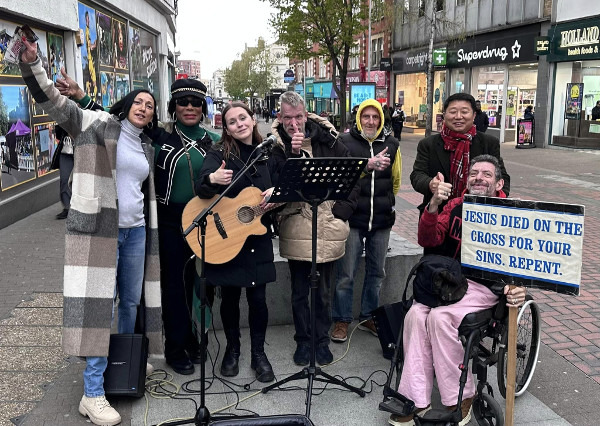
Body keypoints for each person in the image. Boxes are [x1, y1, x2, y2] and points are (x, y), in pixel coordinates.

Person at [19, 40, 162, 426]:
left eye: (150, 105)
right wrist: (34, 67)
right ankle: (92, 393)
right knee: (99, 310)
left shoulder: (146, 146)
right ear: (127, 104)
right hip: (100, 232)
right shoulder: (94, 124)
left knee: (130, 304)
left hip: (134, 234)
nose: (144, 108)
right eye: (139, 102)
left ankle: (128, 357)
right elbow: (56, 104)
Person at [56, 72, 221, 377]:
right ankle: (175, 347)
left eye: (195, 103)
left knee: (200, 285)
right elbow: (112, 121)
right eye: (183, 102)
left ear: (203, 107)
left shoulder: (213, 142)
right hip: (166, 223)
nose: (189, 107)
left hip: (202, 222)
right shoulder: (157, 136)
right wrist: (79, 96)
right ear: (173, 106)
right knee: (171, 286)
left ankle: (192, 337)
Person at [389, 155, 527, 426]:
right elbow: (427, 239)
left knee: (440, 318)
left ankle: (461, 396)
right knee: (416, 315)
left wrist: (518, 287)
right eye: (474, 173)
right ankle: (416, 398)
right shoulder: (454, 205)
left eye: (487, 174)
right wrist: (433, 205)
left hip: (483, 286)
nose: (478, 178)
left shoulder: (510, 214)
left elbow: (524, 258)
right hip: (448, 281)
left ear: (499, 182)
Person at [270, 91, 358, 366]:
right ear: (279, 117)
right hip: (297, 225)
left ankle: (321, 340)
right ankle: (303, 340)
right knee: (299, 291)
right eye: (288, 117)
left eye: (298, 116)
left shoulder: (329, 139)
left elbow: (352, 178)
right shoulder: (275, 146)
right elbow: (277, 184)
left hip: (327, 225)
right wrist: (294, 154)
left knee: (323, 291)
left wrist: (340, 213)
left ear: (306, 115)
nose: (293, 123)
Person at [195, 101, 278, 383]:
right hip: (227, 238)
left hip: (256, 235)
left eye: (243, 118)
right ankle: (232, 349)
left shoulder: (268, 153)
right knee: (229, 297)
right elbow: (201, 186)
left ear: (253, 120)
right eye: (232, 121)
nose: (239, 124)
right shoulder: (219, 152)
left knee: (258, 299)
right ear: (226, 128)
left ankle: (258, 353)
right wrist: (213, 178)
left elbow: (284, 185)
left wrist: (276, 195)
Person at [331, 99, 401, 343]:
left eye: (375, 117)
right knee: (346, 273)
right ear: (358, 118)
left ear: (381, 120)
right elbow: (340, 176)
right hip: (353, 218)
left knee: (377, 272)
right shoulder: (345, 142)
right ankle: (341, 319)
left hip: (381, 220)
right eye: (366, 116)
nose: (370, 121)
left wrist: (387, 203)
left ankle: (368, 316)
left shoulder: (392, 144)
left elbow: (396, 180)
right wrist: (366, 166)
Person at [410, 93, 510, 218]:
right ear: (444, 115)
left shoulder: (488, 143)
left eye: (464, 112)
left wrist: (493, 199)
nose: (458, 117)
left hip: (478, 215)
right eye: (452, 112)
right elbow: (417, 175)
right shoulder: (428, 144)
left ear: (474, 115)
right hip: (438, 214)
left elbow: (502, 178)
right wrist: (430, 184)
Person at [54, 125, 74, 219]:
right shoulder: (64, 112)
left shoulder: (92, 110)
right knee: (65, 178)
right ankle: (67, 207)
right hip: (66, 147)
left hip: (84, 146)